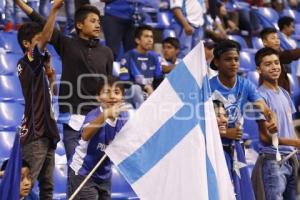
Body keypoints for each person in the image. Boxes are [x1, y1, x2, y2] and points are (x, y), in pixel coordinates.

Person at [16, 0, 114, 161]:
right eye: (92, 20)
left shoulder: (107, 52)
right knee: (74, 170)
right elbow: (37, 18)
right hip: (72, 120)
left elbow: (109, 86)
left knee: (95, 171)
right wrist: (19, 3)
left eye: (99, 21)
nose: (98, 25)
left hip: (97, 119)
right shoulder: (67, 44)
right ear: (79, 25)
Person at [209, 40, 276, 200]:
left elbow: (263, 107)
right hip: (214, 147)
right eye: (228, 59)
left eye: (236, 59)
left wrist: (271, 118)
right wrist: (225, 132)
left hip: (235, 145)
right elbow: (200, 124)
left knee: (242, 192)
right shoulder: (208, 87)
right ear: (217, 62)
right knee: (220, 192)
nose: (234, 63)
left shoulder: (245, 84)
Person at [16, 0, 63, 199]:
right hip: (36, 135)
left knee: (48, 189)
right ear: (27, 44)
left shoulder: (37, 68)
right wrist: (54, 10)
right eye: (38, 40)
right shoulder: (27, 60)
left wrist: (51, 76)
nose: (44, 42)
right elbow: (47, 36)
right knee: (24, 187)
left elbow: (54, 96)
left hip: (47, 133)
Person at [68, 76, 129, 199]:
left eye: (116, 92)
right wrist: (105, 115)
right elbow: (85, 134)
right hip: (84, 173)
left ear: (122, 98)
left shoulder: (124, 118)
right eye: (107, 92)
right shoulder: (94, 115)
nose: (112, 96)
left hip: (104, 175)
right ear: (98, 96)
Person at [251, 47, 300, 200]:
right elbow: (265, 137)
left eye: (276, 63)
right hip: (273, 162)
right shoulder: (259, 96)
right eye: (268, 64)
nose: (274, 67)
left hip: (292, 159)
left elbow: (290, 128)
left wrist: (296, 145)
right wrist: (296, 142)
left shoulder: (285, 93)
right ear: (259, 69)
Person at [119, 24, 163, 109]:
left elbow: (159, 80)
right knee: (136, 89)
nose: (150, 40)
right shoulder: (127, 57)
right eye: (146, 36)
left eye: (151, 37)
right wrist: (144, 87)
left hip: (149, 94)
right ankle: (144, 115)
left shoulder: (155, 57)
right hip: (131, 95)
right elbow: (124, 83)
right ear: (137, 40)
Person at [260, 27, 300, 93]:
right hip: (271, 93)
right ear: (264, 42)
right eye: (273, 38)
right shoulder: (266, 55)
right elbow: (289, 55)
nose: (277, 40)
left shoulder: (277, 53)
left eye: (278, 38)